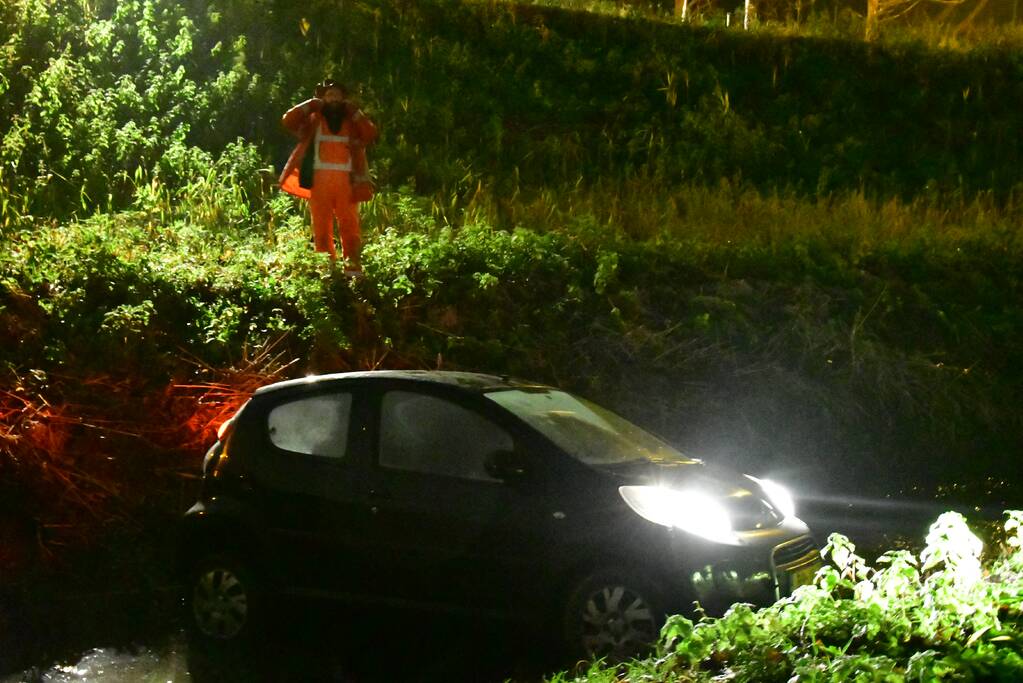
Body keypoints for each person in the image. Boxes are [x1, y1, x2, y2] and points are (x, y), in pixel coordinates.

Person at [279, 79, 378, 274]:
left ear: (344, 99)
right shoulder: (314, 119)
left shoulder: (352, 121)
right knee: (321, 226)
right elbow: (288, 121)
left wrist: (356, 113)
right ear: (322, 98)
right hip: (320, 182)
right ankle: (326, 268)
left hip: (346, 183)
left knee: (349, 225)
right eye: (329, 95)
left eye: (337, 95)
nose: (333, 99)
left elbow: (370, 133)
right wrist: (309, 104)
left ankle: (353, 268)